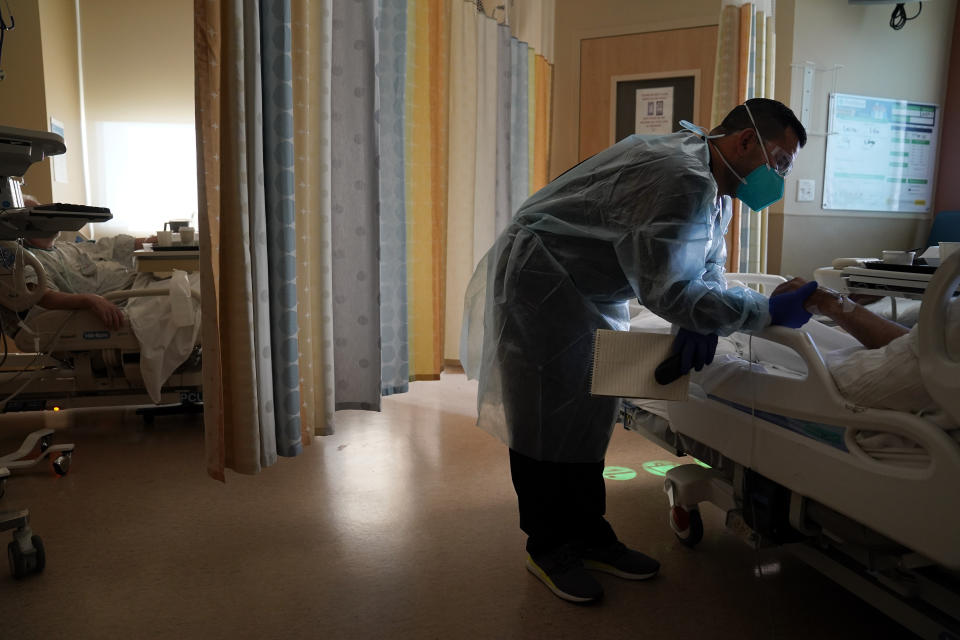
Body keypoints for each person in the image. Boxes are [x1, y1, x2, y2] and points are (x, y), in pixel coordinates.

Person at [460, 98, 816, 603]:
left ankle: (589, 533)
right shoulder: (681, 176)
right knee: (542, 417)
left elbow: (706, 262)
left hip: (591, 288)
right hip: (541, 284)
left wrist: (705, 315)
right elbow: (668, 292)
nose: (778, 178)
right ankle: (547, 546)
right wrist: (763, 312)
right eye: (779, 162)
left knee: (591, 410)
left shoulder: (716, 186)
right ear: (744, 142)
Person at [9, 196, 155, 331]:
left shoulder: (68, 247)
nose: (52, 218)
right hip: (135, 299)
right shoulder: (30, 260)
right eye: (41, 215)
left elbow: (115, 246)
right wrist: (90, 300)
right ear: (23, 226)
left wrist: (159, 241)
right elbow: (44, 296)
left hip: (145, 286)